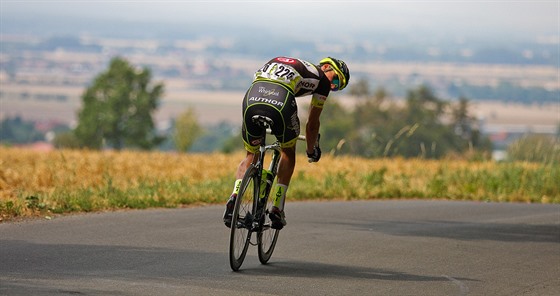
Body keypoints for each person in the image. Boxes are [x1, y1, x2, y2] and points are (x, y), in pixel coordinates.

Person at [223, 56, 350, 229]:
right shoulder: (321, 80)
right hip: (280, 100)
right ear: (326, 66)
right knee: (288, 151)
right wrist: (312, 150)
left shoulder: (288, 62)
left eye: (336, 87)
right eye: (335, 79)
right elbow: (312, 125)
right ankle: (277, 208)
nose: (332, 86)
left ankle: (234, 196)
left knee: (251, 154)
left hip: (252, 96)